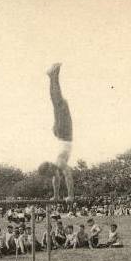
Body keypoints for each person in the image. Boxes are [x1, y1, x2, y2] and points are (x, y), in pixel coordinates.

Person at [47, 62, 74, 202]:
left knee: (56, 101)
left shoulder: (57, 162)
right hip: (64, 134)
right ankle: (53, 76)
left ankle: (52, 76)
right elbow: (68, 174)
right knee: (58, 102)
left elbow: (56, 179)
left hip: (61, 135)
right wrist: (70, 196)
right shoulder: (61, 161)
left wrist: (56, 195)